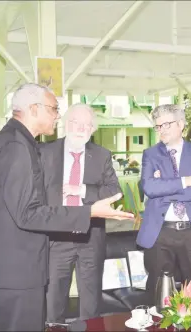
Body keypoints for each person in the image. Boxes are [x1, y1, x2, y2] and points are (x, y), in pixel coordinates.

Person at [0, 83, 133, 332]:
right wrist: (89, 211)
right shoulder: (19, 147)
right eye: (53, 109)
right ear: (34, 109)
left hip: (6, 266)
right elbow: (27, 213)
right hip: (16, 269)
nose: (57, 115)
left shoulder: (7, 141)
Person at [40, 103, 121, 323]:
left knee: (91, 306)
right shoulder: (45, 152)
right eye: (76, 122)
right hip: (56, 238)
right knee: (53, 303)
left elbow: (115, 191)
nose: (81, 128)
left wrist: (83, 190)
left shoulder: (102, 155)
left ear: (93, 129)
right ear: (66, 124)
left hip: (90, 237)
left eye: (87, 125)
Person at [137, 104, 191, 300]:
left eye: (167, 124)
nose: (162, 130)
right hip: (160, 231)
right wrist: (187, 181)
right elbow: (149, 188)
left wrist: (163, 185)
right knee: (157, 292)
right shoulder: (150, 154)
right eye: (158, 126)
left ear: (181, 124)